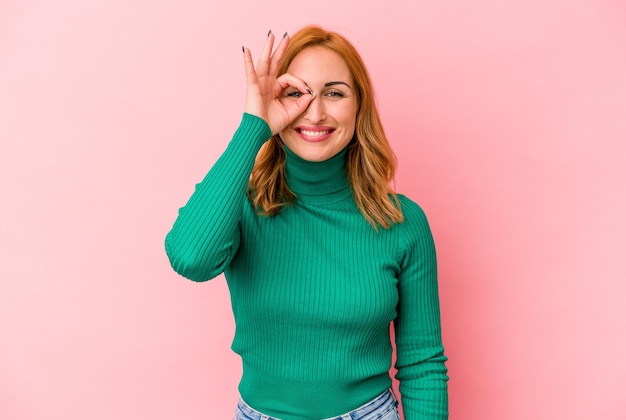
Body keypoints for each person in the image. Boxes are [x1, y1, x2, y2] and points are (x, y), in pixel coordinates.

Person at [165, 25, 448, 420]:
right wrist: (254, 125)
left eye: (334, 93)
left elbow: (422, 362)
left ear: (358, 105)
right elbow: (190, 258)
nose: (315, 112)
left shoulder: (402, 222)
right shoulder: (242, 208)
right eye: (296, 93)